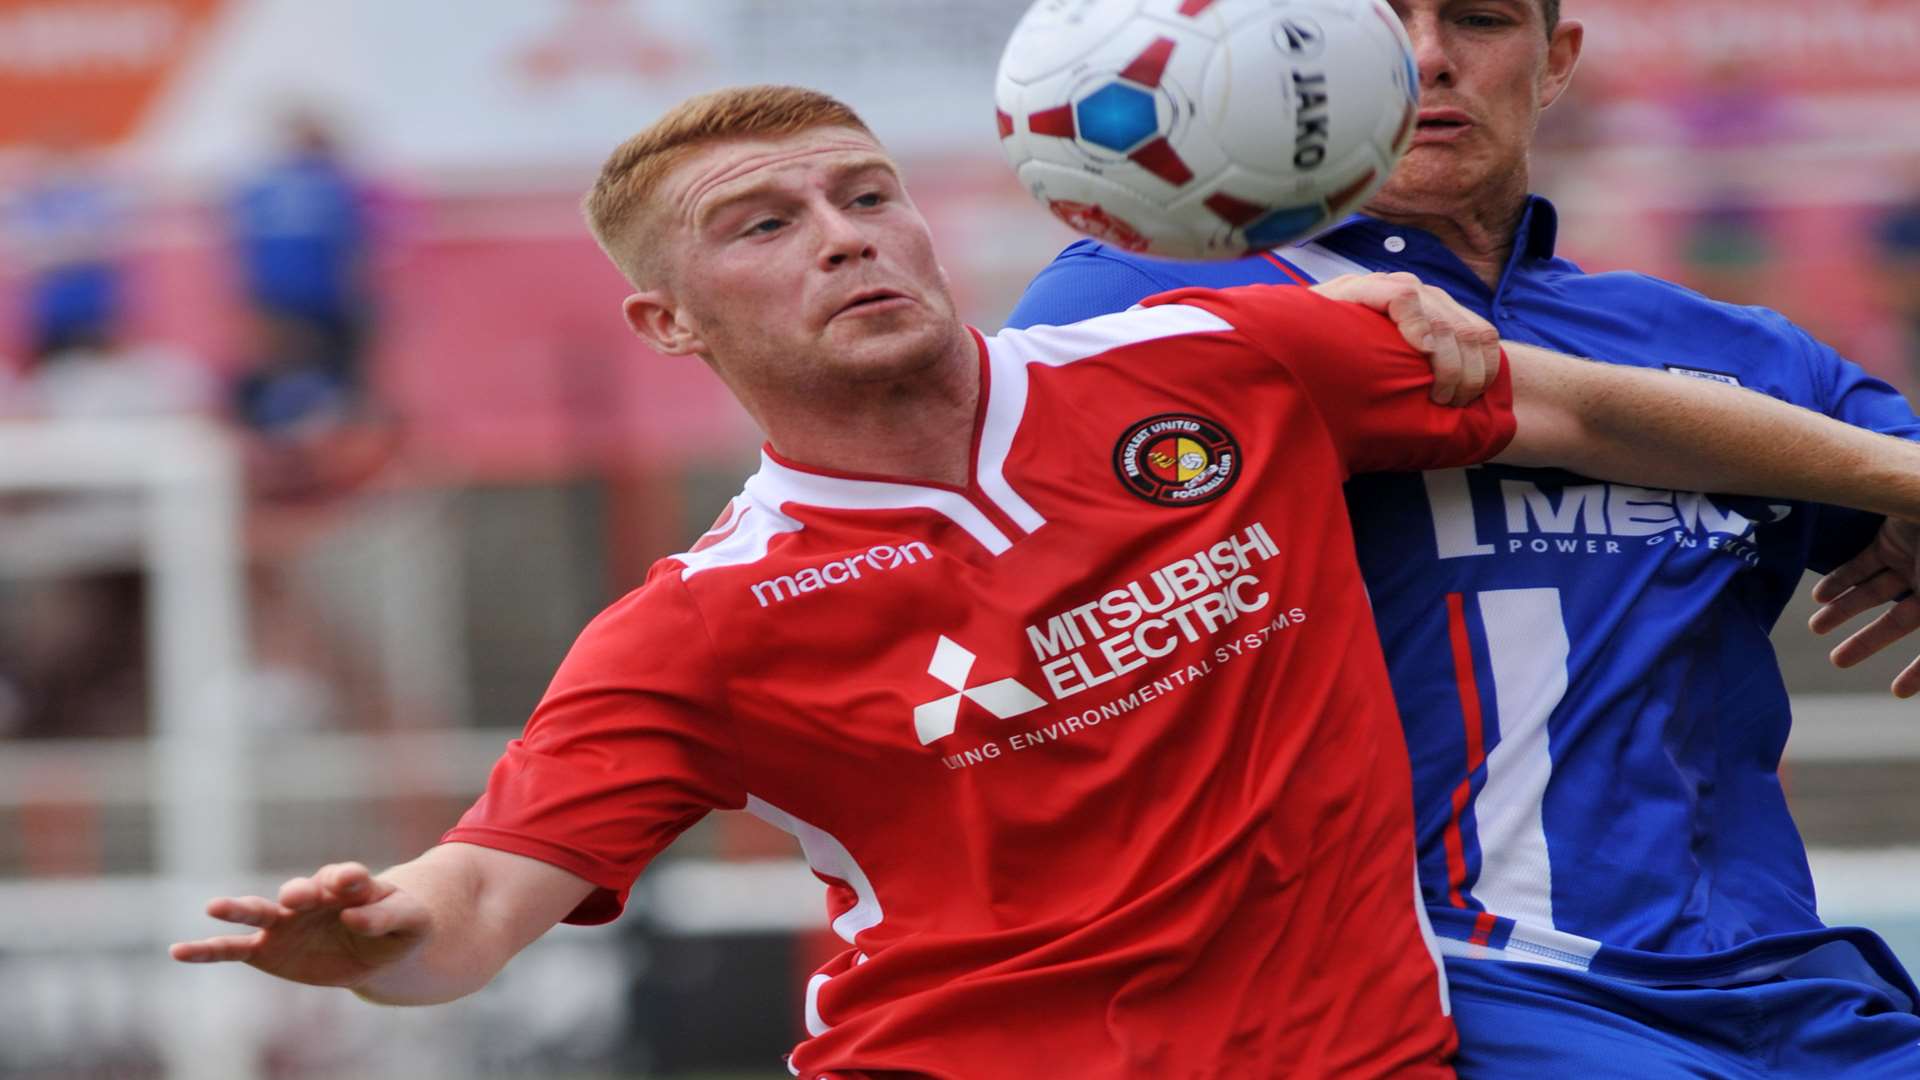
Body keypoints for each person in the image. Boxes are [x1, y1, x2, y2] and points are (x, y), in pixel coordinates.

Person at [171, 85, 1920, 1078]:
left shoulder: (1212, 369)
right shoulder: (700, 621)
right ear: (668, 325)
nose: (843, 232)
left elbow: (1571, 401)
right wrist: (371, 938)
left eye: (865, 193)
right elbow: (472, 908)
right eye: (763, 225)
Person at [1006, 1, 1920, 1076]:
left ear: (1556, 64)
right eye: (1380, 23)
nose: (1430, 61)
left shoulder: (1737, 353)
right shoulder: (1142, 295)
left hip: (1790, 998)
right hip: (1436, 997)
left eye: (1478, 19)